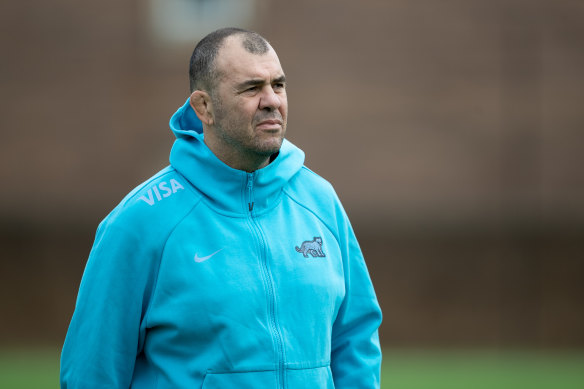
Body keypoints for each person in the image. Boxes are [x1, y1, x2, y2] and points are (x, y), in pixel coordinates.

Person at [60, 27, 382, 388]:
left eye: (278, 85)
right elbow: (92, 370)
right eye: (251, 88)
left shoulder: (320, 201)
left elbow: (355, 340)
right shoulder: (139, 221)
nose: (272, 100)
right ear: (205, 107)